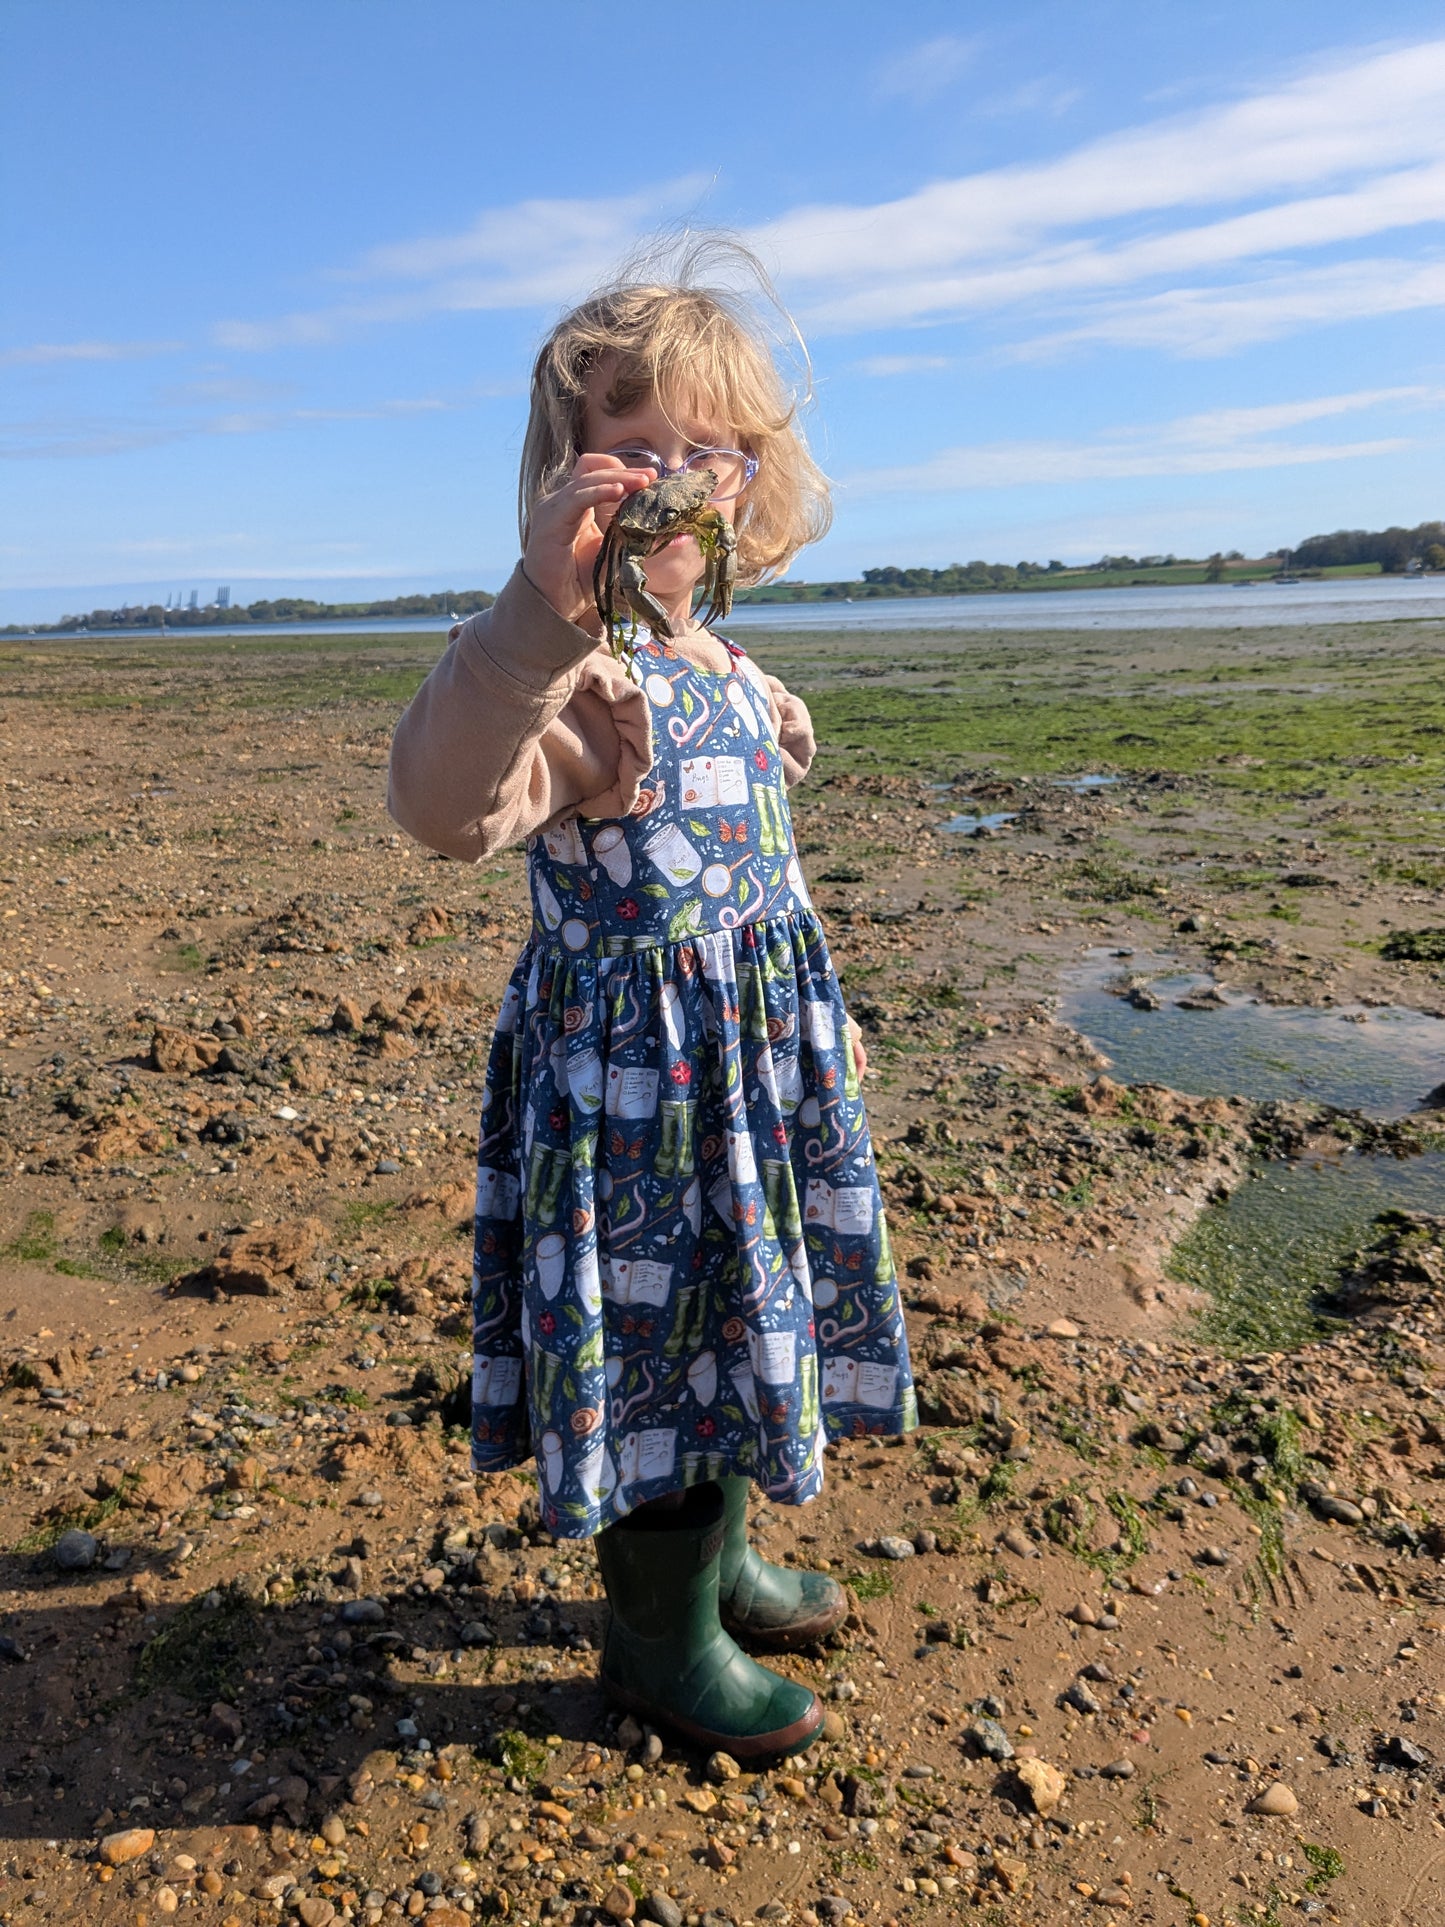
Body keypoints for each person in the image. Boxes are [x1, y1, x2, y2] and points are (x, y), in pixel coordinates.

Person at [388, 237, 916, 1760]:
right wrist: (531, 619)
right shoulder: (571, 680)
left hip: (756, 1066)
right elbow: (440, 808)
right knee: (667, 1345)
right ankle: (652, 1642)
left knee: (746, 1324)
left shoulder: (733, 666)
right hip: (632, 1099)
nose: (673, 480)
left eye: (710, 451)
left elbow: (769, 879)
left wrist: (831, 1028)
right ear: (564, 478)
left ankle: (722, 1561)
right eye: (631, 448)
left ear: (754, 478)